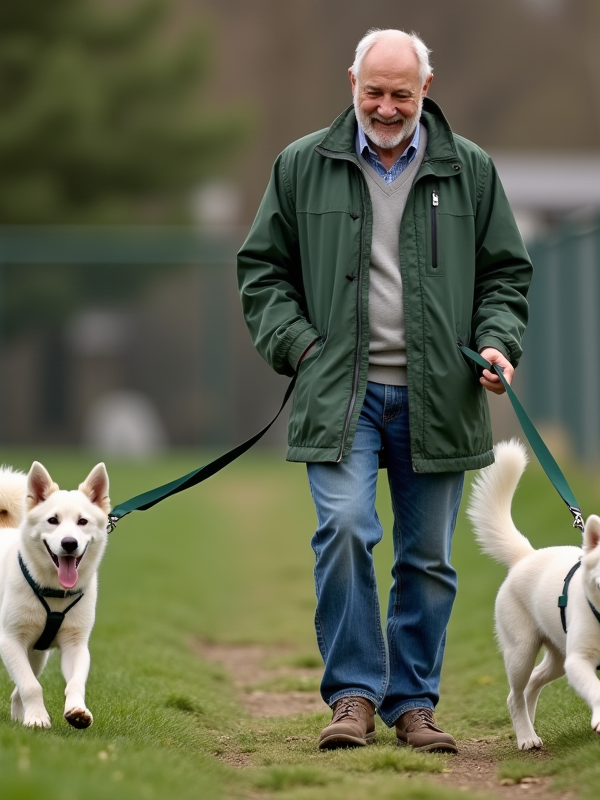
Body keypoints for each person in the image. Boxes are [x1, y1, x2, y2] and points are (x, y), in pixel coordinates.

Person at [237, 28, 532, 753]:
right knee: (342, 530)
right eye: (375, 91)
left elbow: (505, 275)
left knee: (426, 557)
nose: (388, 106)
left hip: (440, 397)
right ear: (352, 83)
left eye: (402, 93)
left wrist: (497, 342)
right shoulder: (302, 165)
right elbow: (261, 272)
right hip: (341, 395)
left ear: (426, 89)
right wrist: (301, 347)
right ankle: (353, 697)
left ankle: (414, 705)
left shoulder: (472, 171)